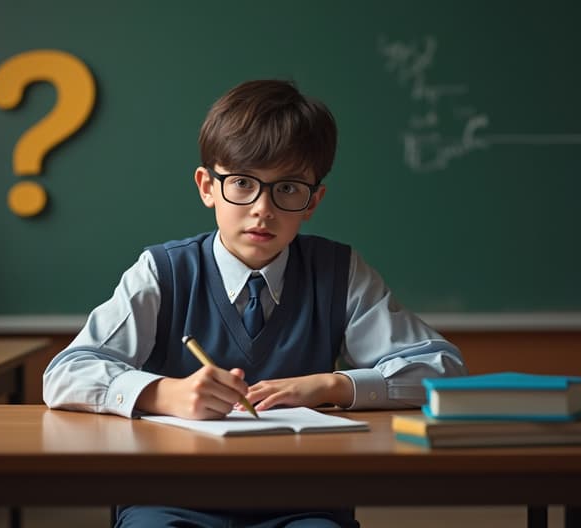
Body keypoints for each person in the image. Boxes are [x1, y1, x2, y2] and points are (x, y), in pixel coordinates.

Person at [43, 79, 467, 528]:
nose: (263, 208)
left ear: (313, 201)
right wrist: (166, 392)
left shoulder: (338, 271)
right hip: (169, 497)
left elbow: (441, 369)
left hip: (304, 502)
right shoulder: (163, 271)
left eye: (287, 189)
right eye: (242, 183)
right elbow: (66, 374)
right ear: (207, 186)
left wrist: (331, 386)